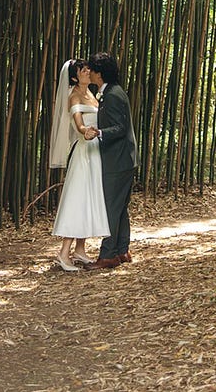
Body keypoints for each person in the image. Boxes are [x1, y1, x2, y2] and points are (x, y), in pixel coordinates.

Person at [48, 58, 109, 272]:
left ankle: (80, 250)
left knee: (89, 199)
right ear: (74, 78)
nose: (88, 72)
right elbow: (79, 123)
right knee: (78, 199)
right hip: (84, 152)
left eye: (88, 69)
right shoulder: (74, 95)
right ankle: (64, 253)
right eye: (83, 70)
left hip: (95, 152)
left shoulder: (92, 94)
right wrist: (86, 132)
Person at [83, 51, 136, 269]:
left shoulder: (112, 95)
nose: (89, 74)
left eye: (91, 70)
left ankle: (107, 255)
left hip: (117, 160)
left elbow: (120, 128)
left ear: (99, 73)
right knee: (120, 208)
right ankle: (122, 250)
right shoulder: (113, 91)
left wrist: (99, 133)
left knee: (111, 208)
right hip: (124, 159)